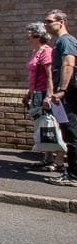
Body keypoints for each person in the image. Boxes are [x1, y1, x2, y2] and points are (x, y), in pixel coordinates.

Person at [43, 10, 77, 186]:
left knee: (73, 133)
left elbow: (69, 63)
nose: (46, 25)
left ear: (61, 22)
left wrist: (62, 90)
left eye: (49, 21)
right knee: (68, 132)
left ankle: (73, 175)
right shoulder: (59, 42)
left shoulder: (66, 41)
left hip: (70, 94)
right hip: (66, 95)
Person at [23, 23, 59, 171]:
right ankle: (48, 157)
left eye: (29, 34)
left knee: (52, 125)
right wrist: (29, 93)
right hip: (37, 93)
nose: (27, 37)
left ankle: (59, 161)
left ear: (38, 36)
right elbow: (33, 76)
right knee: (43, 127)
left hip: (45, 93)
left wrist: (49, 96)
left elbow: (50, 76)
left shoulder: (46, 52)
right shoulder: (35, 51)